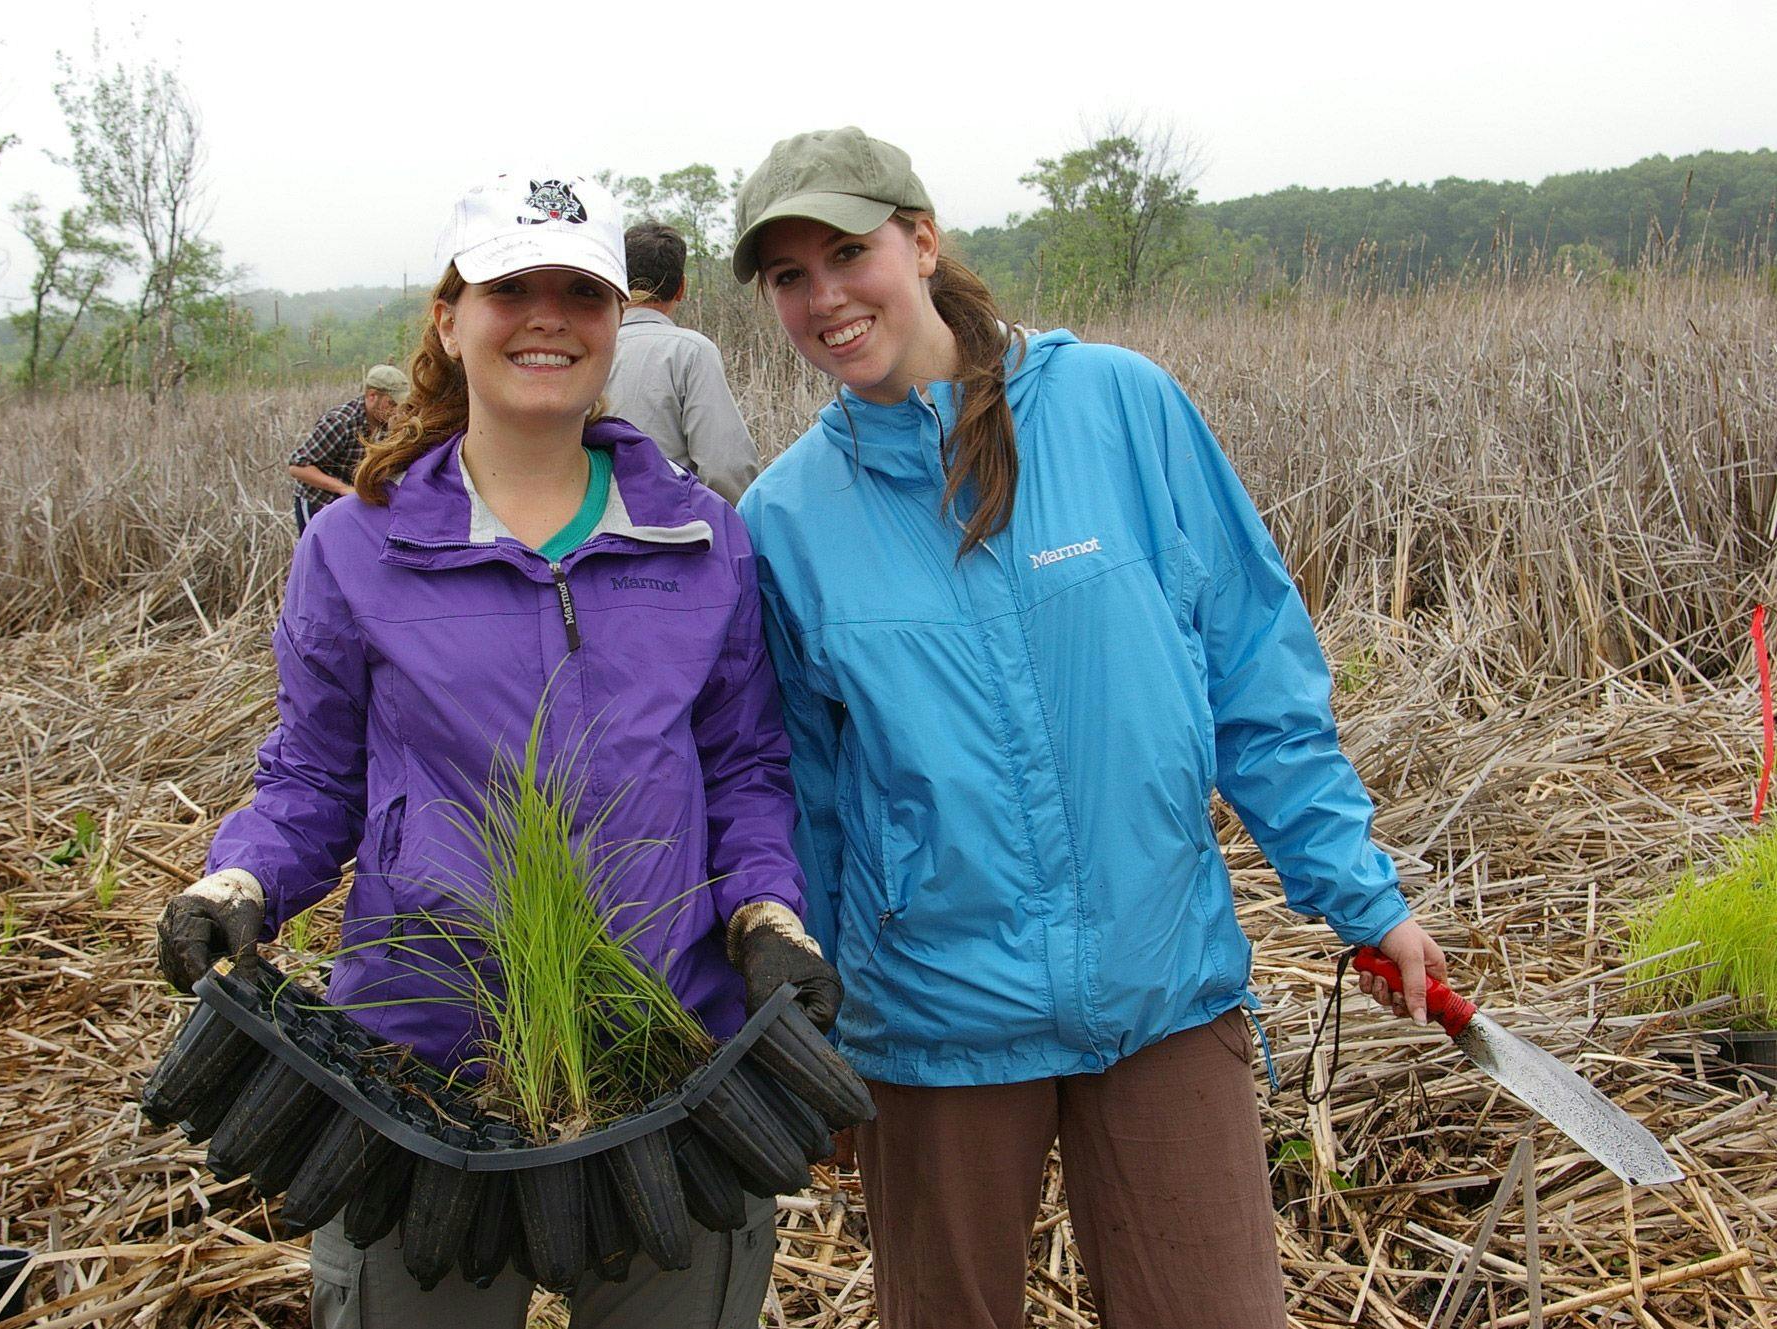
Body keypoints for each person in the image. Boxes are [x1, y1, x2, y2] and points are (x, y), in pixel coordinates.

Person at [731, 127, 1448, 1329]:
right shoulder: (785, 518)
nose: (825, 298)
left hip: (1161, 985)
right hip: (933, 1021)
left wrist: (1359, 893)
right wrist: (814, 1043)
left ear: (920, 240)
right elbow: (805, 793)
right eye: (787, 277)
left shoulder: (1122, 406)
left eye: (847, 252)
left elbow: (1254, 679)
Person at [154, 170, 839, 1329]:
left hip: (670, 1062)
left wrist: (766, 917)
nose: (546, 318)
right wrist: (241, 880)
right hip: (420, 1077)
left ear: (619, 321)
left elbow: (744, 770)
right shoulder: (358, 551)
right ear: (449, 318)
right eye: (509, 286)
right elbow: (314, 778)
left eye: (581, 292)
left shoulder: (698, 539)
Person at [603, 223, 760, 504]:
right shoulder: (690, 351)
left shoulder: (587, 351)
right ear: (681, 288)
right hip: (670, 531)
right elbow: (727, 468)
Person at [287, 364, 412, 532]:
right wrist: (343, 489)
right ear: (372, 395)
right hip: (318, 502)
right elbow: (297, 467)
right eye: (391, 403)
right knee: (317, 553)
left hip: (350, 507)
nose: (395, 409)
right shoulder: (340, 422)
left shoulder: (386, 424)